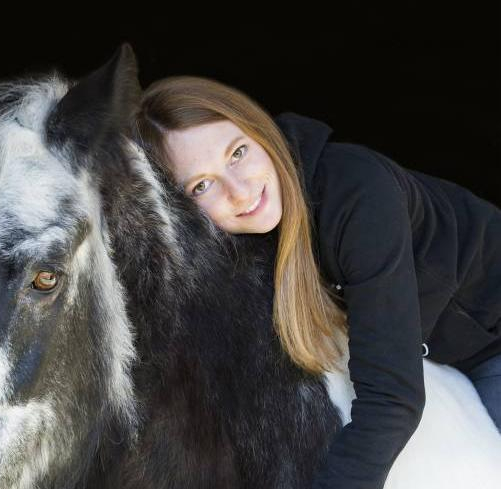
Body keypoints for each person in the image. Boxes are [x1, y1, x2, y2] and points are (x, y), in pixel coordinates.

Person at [131, 75, 501, 489]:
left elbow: (392, 399)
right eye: (202, 185)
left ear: (260, 131)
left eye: (237, 153)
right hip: (445, 351)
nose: (239, 190)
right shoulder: (236, 243)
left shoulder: (355, 195)